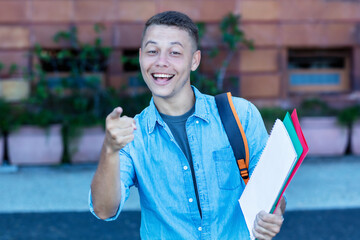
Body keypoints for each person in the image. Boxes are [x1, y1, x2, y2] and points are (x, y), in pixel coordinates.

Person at [89, 11, 286, 240]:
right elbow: (104, 210)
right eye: (152, 51)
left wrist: (273, 214)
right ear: (141, 57)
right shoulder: (132, 136)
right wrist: (110, 150)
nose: (161, 62)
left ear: (194, 60)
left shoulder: (240, 115)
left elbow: (271, 193)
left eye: (174, 52)